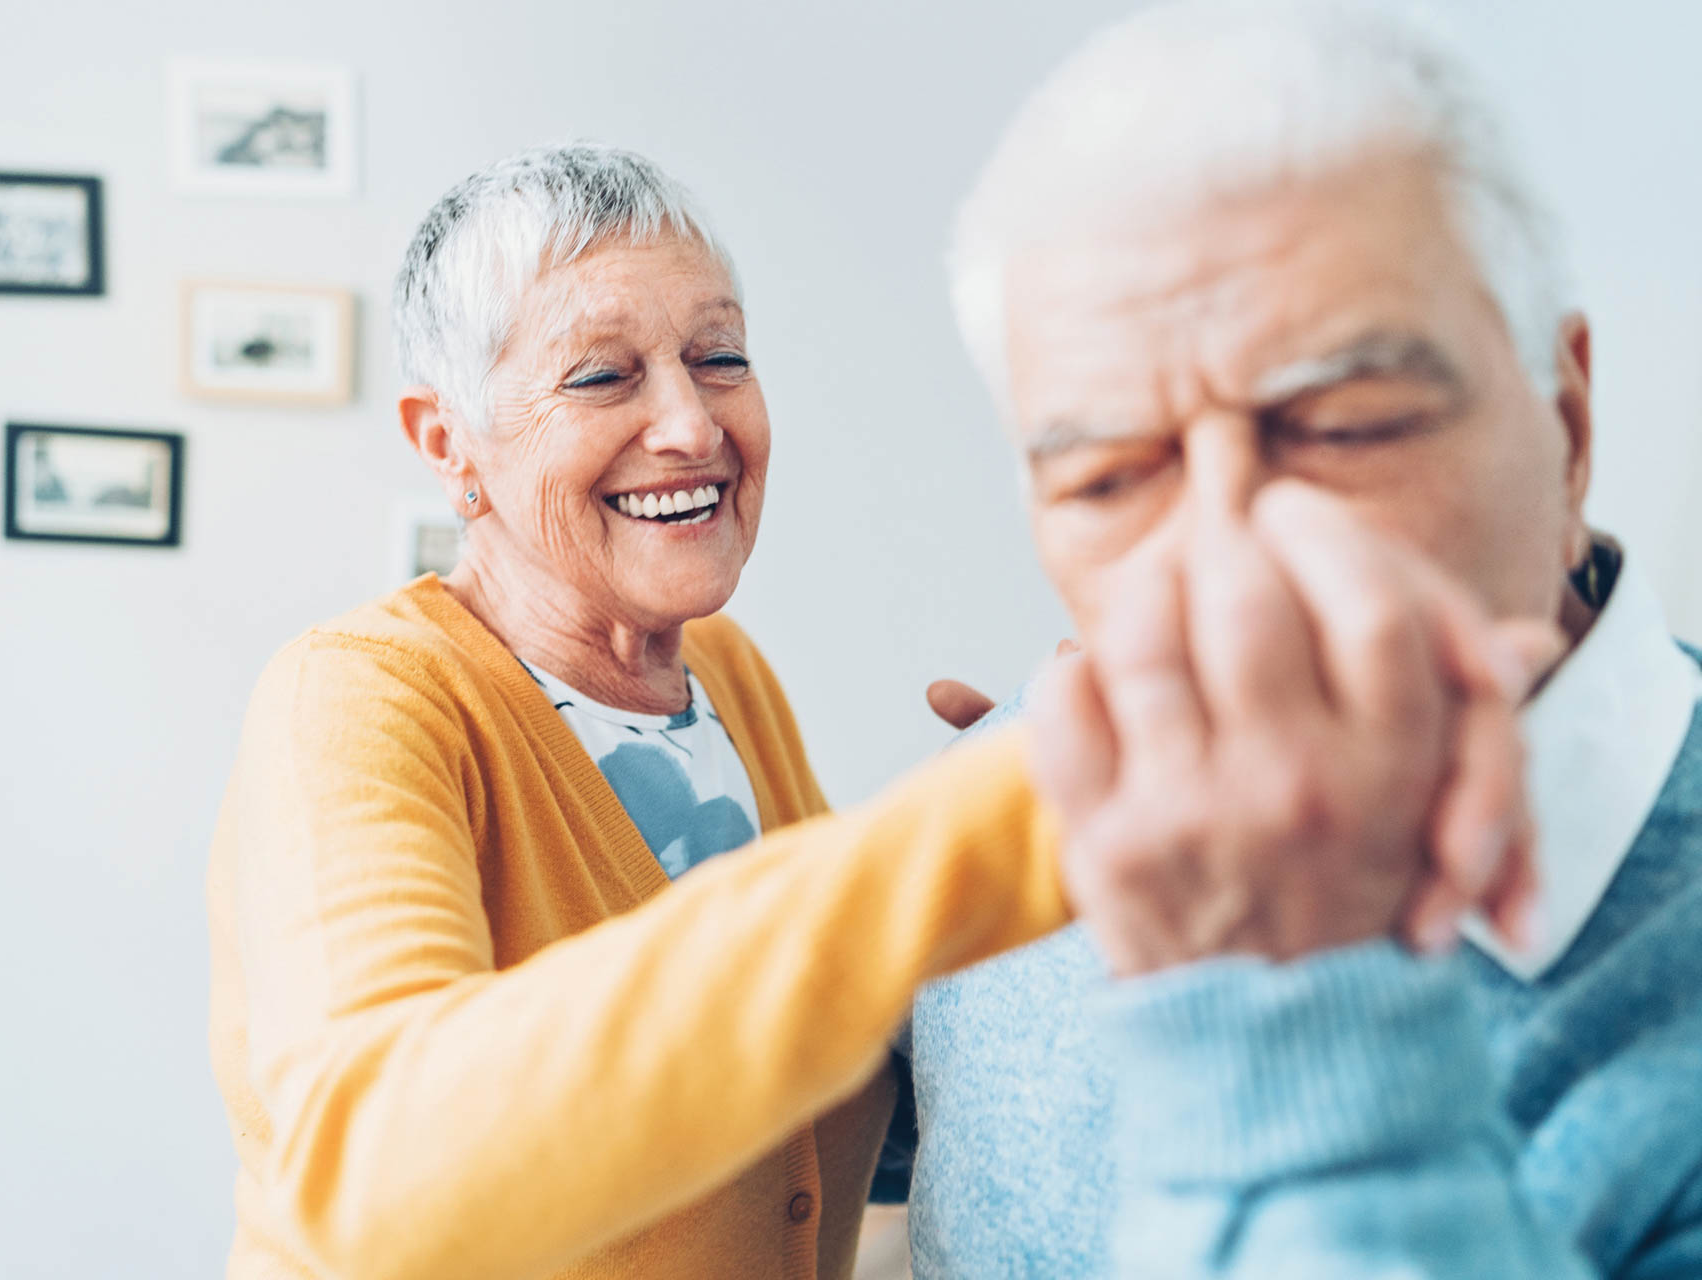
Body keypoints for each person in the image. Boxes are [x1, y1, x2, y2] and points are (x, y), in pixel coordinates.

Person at [899, 3, 1702, 1277]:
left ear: (1571, 419)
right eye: (1111, 479)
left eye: (1347, 427)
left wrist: (1294, 1006)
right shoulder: (997, 824)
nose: (1225, 558)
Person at [203, 142, 1093, 1280]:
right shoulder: (357, 702)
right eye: (601, 376)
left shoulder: (725, 674)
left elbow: (785, 1080)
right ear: (448, 443)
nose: (689, 423)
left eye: (718, 356)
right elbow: (378, 1168)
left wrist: (1040, 852)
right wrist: (972, 827)